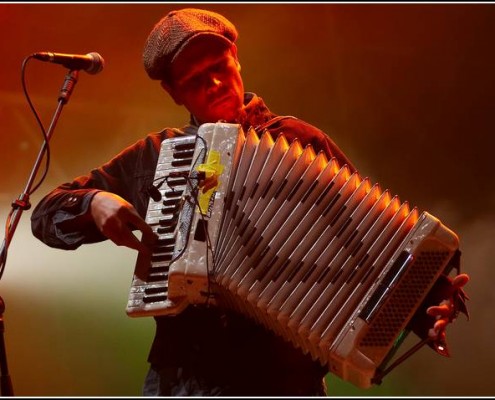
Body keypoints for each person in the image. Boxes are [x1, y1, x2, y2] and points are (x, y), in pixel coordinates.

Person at [30, 8, 468, 396]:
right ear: (172, 92)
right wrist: (94, 203)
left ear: (237, 59)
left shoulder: (301, 143)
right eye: (196, 80)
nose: (217, 83)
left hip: (285, 379)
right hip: (186, 378)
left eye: (221, 66)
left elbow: (374, 243)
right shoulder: (154, 157)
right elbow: (45, 215)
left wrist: (425, 304)